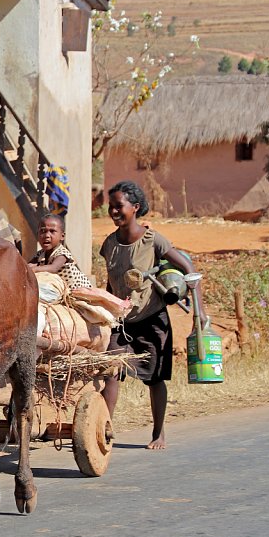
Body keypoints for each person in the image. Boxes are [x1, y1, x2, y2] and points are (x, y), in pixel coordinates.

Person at [100, 181, 206, 451]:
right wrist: (104, 308)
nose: (113, 211)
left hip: (153, 318)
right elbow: (111, 283)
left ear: (135, 208)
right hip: (122, 321)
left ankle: (159, 433)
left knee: (155, 378)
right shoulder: (109, 244)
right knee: (111, 371)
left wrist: (200, 311)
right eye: (111, 206)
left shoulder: (153, 240)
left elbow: (189, 269)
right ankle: (103, 429)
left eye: (119, 206)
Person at [28, 213, 91, 289]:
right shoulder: (40, 254)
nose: (47, 235)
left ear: (62, 236)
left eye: (52, 231)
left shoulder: (62, 253)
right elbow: (30, 265)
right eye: (43, 231)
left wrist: (34, 269)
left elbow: (53, 268)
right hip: (61, 289)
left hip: (79, 289)